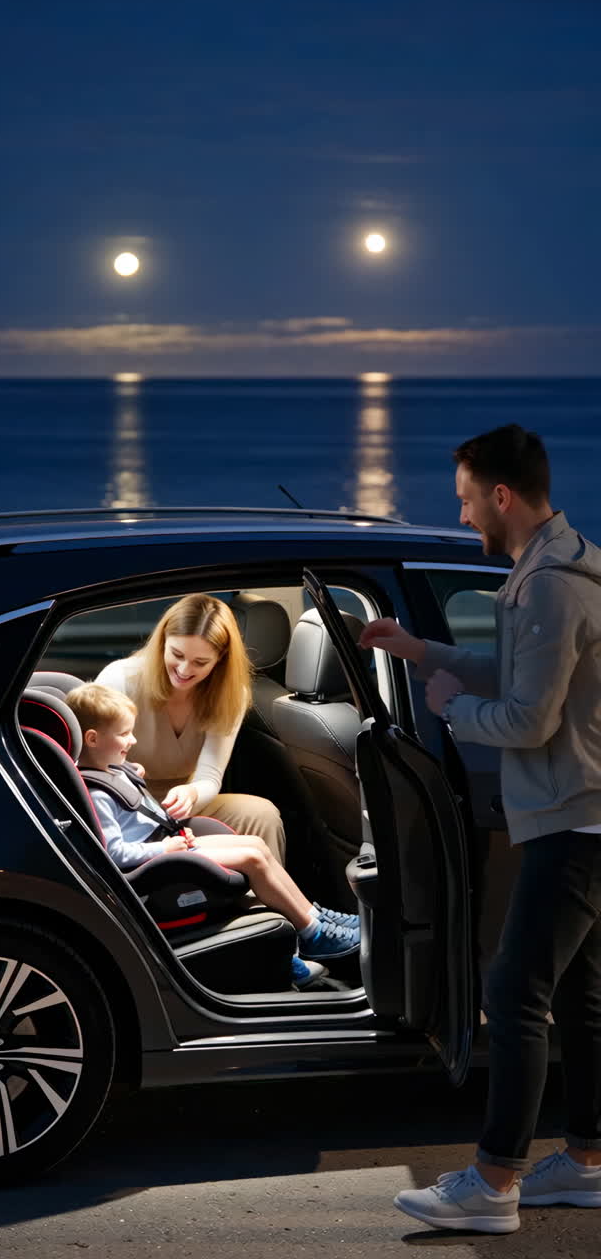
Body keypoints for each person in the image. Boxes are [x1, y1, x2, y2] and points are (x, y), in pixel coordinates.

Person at [361, 424, 601, 1234]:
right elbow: (524, 672)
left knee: (514, 991)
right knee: (579, 995)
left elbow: (528, 718)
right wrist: (419, 649)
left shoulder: (550, 585)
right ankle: (589, 1163)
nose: (462, 516)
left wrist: (452, 713)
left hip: (576, 820)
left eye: (466, 500)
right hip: (585, 813)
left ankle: (496, 1183)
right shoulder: (559, 568)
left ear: (502, 496)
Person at [65, 682, 361, 987]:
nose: (133, 739)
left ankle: (318, 918)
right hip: (155, 866)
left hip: (168, 844)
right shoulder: (96, 793)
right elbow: (114, 854)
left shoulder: (113, 769)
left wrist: (133, 779)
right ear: (93, 739)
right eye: (124, 734)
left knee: (256, 845)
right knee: (251, 858)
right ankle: (314, 934)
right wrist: (165, 850)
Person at [95, 593, 288, 862]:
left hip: (184, 803)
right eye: (177, 654)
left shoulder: (231, 695)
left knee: (263, 814)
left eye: (200, 662)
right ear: (162, 642)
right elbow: (91, 766)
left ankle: (258, 901)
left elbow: (210, 776)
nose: (184, 669)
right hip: (126, 804)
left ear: (220, 659)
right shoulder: (121, 679)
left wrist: (192, 792)